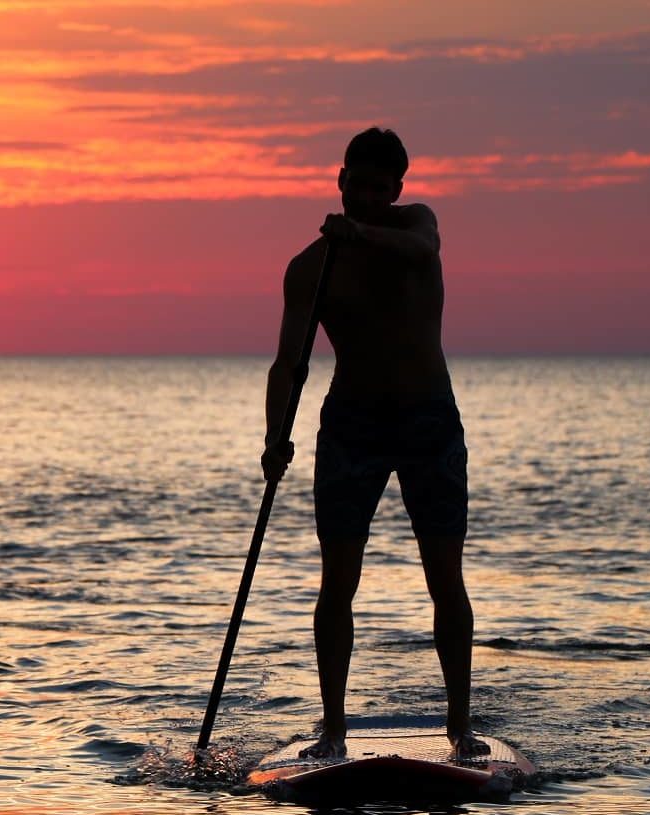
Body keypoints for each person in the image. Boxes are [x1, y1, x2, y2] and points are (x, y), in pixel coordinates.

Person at [261, 127, 489, 760]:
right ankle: (333, 729)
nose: (362, 195)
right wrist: (275, 436)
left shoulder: (417, 226)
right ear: (338, 182)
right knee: (338, 580)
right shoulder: (311, 269)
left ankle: (460, 729)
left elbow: (419, 251)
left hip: (428, 421)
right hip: (352, 425)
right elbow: (288, 365)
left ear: (395, 190)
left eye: (375, 187)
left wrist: (360, 235)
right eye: (353, 184)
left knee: (446, 578)